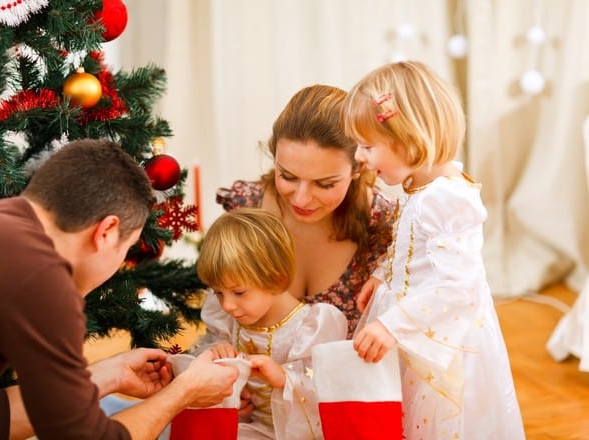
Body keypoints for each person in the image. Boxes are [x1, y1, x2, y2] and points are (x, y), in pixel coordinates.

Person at [0, 139, 238, 440]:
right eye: (127, 248)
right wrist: (182, 393)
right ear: (106, 232)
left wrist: (110, 374)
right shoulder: (41, 278)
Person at [344, 60, 526, 439]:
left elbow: (459, 285)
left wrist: (393, 324)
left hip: (439, 333)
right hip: (416, 321)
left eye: (366, 146)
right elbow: (416, 248)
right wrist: (382, 274)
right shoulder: (419, 187)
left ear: (408, 138)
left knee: (438, 419)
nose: (359, 158)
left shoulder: (445, 198)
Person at [216, 84, 396, 337]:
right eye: (287, 176)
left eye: (325, 184)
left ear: (358, 168)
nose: (301, 199)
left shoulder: (386, 225)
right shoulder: (245, 207)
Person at [193, 207, 348, 439]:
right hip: (242, 428)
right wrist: (216, 356)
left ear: (275, 277)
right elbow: (201, 358)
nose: (227, 305)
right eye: (219, 293)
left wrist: (284, 379)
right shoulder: (228, 319)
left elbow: (329, 390)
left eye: (238, 292)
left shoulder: (311, 327)